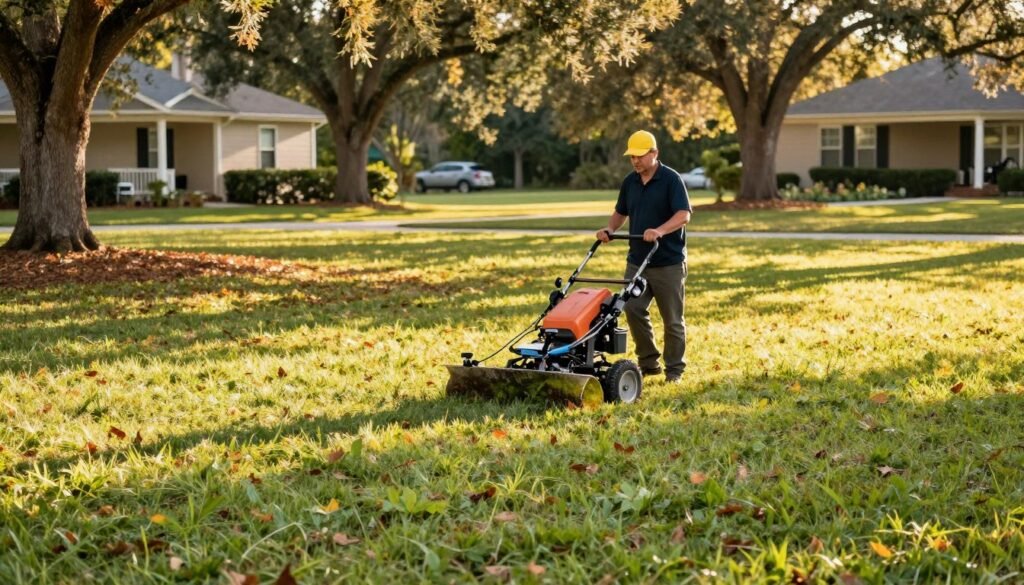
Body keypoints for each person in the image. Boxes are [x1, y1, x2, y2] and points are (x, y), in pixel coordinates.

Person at [596, 130, 692, 382]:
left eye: (640, 156)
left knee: (672, 320)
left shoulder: (671, 179)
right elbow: (620, 212)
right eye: (632, 157)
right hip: (637, 260)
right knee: (633, 308)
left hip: (668, 262)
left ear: (654, 153)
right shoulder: (630, 181)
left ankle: (674, 371)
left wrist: (659, 231)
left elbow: (684, 215)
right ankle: (649, 364)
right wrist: (610, 229)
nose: (635, 161)